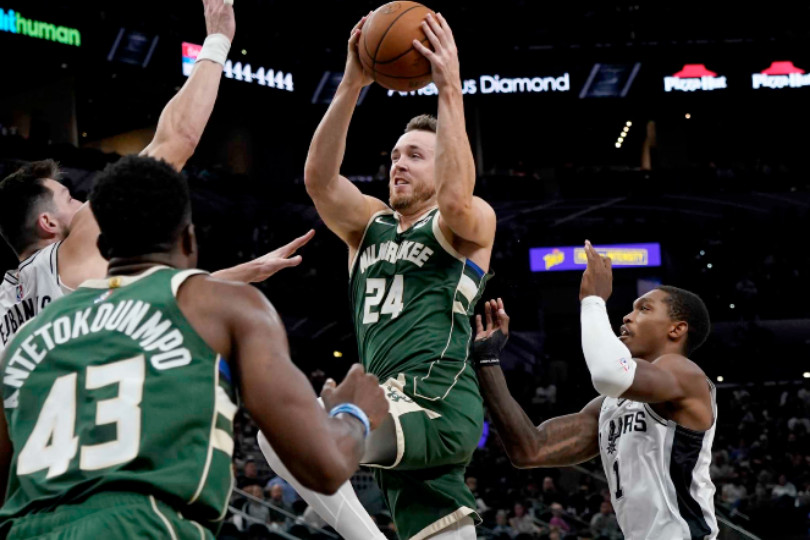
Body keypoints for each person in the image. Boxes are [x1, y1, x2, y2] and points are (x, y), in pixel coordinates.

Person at [0, 154, 389, 538]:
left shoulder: (27, 340)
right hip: (145, 526)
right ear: (188, 241)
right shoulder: (221, 307)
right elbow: (322, 466)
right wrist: (355, 412)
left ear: (102, 247)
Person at [257, 10, 496, 540]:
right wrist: (353, 80)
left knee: (290, 432)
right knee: (443, 528)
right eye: (394, 156)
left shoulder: (468, 223)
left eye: (415, 156)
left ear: (446, 164)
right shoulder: (368, 226)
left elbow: (456, 197)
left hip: (437, 404)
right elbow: (318, 180)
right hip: (383, 406)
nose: (399, 164)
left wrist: (448, 89)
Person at [0, 0, 314, 355]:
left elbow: (152, 294)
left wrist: (246, 271)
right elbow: (178, 139)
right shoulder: (74, 247)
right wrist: (218, 40)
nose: (83, 203)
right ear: (47, 222)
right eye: (70, 199)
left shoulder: (6, 300)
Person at [473, 241, 719, 539]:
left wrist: (592, 299)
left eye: (644, 309)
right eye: (630, 309)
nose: (628, 317)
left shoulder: (686, 374)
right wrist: (488, 360)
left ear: (677, 329)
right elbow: (530, 449)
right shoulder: (609, 406)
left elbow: (609, 373)